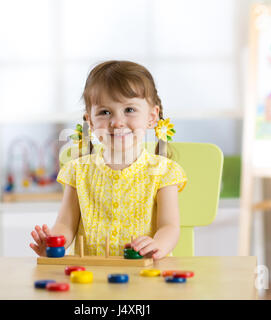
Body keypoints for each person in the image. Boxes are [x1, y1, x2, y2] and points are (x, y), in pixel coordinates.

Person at [30, 60, 187, 260]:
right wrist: (54, 244)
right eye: (105, 112)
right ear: (91, 121)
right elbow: (65, 224)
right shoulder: (78, 171)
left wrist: (158, 245)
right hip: (89, 279)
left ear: (152, 116)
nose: (117, 122)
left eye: (129, 110)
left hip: (146, 276)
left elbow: (169, 226)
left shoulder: (164, 171)